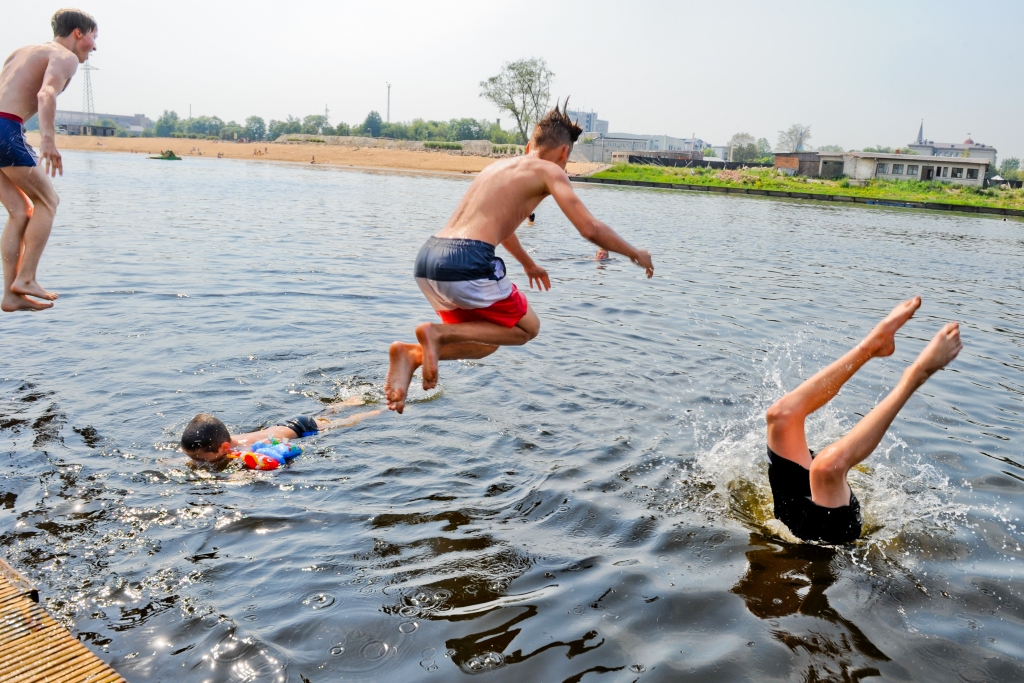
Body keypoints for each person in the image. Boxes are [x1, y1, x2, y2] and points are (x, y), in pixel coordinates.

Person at [384, 101, 655, 413]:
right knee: (528, 328)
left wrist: (527, 263)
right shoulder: (551, 170)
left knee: (489, 341)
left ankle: (412, 355)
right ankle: (436, 333)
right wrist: (635, 253)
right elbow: (590, 228)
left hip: (428, 260)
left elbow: (502, 226)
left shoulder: (497, 168)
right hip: (466, 262)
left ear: (530, 145)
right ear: (564, 154)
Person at [765, 297, 962, 544]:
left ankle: (873, 345)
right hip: (823, 530)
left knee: (781, 416)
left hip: (805, 524)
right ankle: (916, 375)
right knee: (826, 467)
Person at [0, 9, 97, 312]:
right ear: (78, 33)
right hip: (5, 128)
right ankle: (26, 278)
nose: (94, 46)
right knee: (48, 201)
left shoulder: (22, 52)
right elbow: (46, 95)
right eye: (94, 37)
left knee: (20, 210)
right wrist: (48, 140)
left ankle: (11, 294)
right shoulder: (64, 56)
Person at [181, 396, 380, 463]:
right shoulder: (218, 444)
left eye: (198, 458)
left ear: (224, 448)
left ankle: (379, 409)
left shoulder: (245, 448)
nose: (196, 463)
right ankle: (349, 401)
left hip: (303, 427)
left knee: (346, 421)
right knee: (328, 414)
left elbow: (269, 451)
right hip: (283, 423)